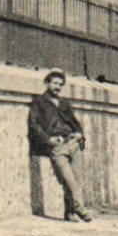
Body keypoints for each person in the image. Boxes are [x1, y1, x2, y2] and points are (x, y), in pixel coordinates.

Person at [28, 68, 92, 222]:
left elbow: (75, 122)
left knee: (76, 180)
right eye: (55, 83)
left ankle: (69, 213)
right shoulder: (39, 102)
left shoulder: (64, 104)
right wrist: (48, 140)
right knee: (69, 181)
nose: (57, 87)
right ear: (47, 83)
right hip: (57, 147)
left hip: (73, 144)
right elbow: (33, 125)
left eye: (60, 84)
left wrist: (79, 134)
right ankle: (79, 208)